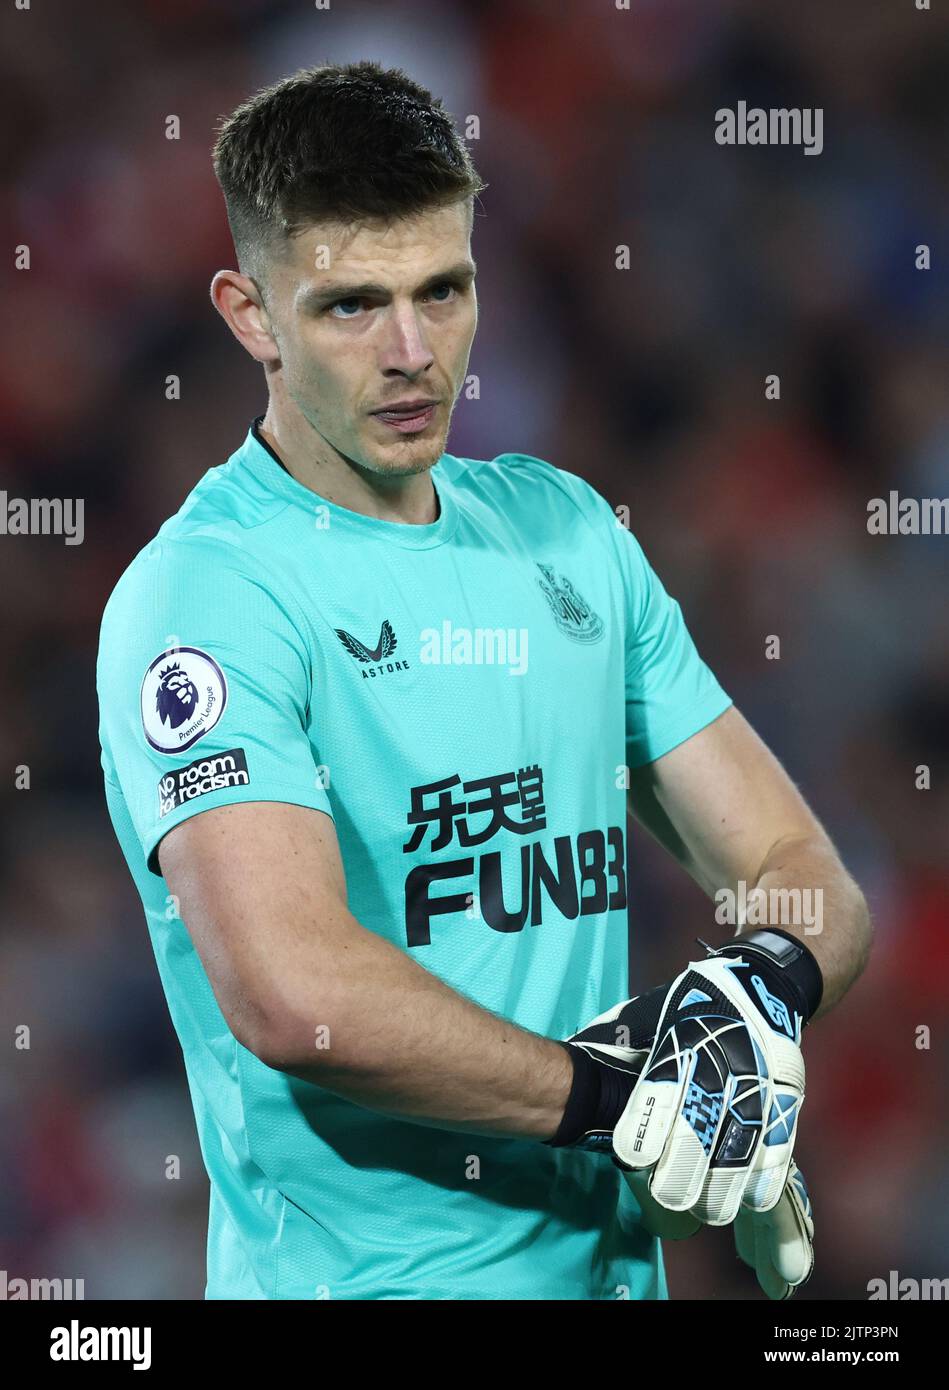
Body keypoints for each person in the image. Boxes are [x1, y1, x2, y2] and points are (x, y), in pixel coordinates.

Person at [96, 60, 871, 1300]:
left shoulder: (567, 533)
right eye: (352, 306)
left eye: (442, 291)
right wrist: (625, 1102)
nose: (414, 354)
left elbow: (804, 876)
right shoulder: (206, 595)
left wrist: (752, 997)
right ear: (249, 315)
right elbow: (294, 995)